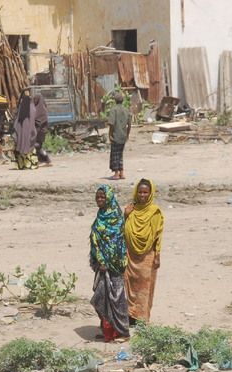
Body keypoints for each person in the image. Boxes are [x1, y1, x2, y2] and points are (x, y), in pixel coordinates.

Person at [90, 185, 130, 342]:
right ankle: (108, 330)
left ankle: (122, 331)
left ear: (109, 198)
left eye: (103, 197)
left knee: (116, 298)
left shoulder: (117, 218)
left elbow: (117, 244)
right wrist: (99, 260)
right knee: (102, 297)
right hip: (101, 266)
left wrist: (107, 261)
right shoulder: (100, 216)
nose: (99, 200)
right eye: (98, 197)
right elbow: (96, 241)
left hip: (114, 266)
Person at [123, 178, 164, 324]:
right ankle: (130, 315)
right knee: (129, 285)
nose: (142, 195)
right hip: (129, 254)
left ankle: (142, 318)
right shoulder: (130, 210)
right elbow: (120, 230)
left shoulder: (155, 212)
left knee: (145, 288)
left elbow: (158, 235)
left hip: (147, 256)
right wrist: (125, 216)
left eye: (145, 192)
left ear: (150, 193)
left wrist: (157, 255)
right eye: (140, 192)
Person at [107, 92, 131, 180]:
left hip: (116, 135)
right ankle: (122, 173)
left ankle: (116, 174)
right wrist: (127, 134)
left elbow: (111, 124)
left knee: (115, 155)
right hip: (123, 136)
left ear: (115, 100)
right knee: (120, 155)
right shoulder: (126, 110)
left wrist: (110, 134)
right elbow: (129, 124)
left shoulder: (114, 110)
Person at [32, 93, 52, 167]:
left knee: (37, 146)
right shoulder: (39, 109)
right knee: (38, 146)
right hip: (39, 132)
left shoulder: (41, 112)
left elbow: (39, 122)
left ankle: (45, 160)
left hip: (40, 132)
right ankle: (44, 160)